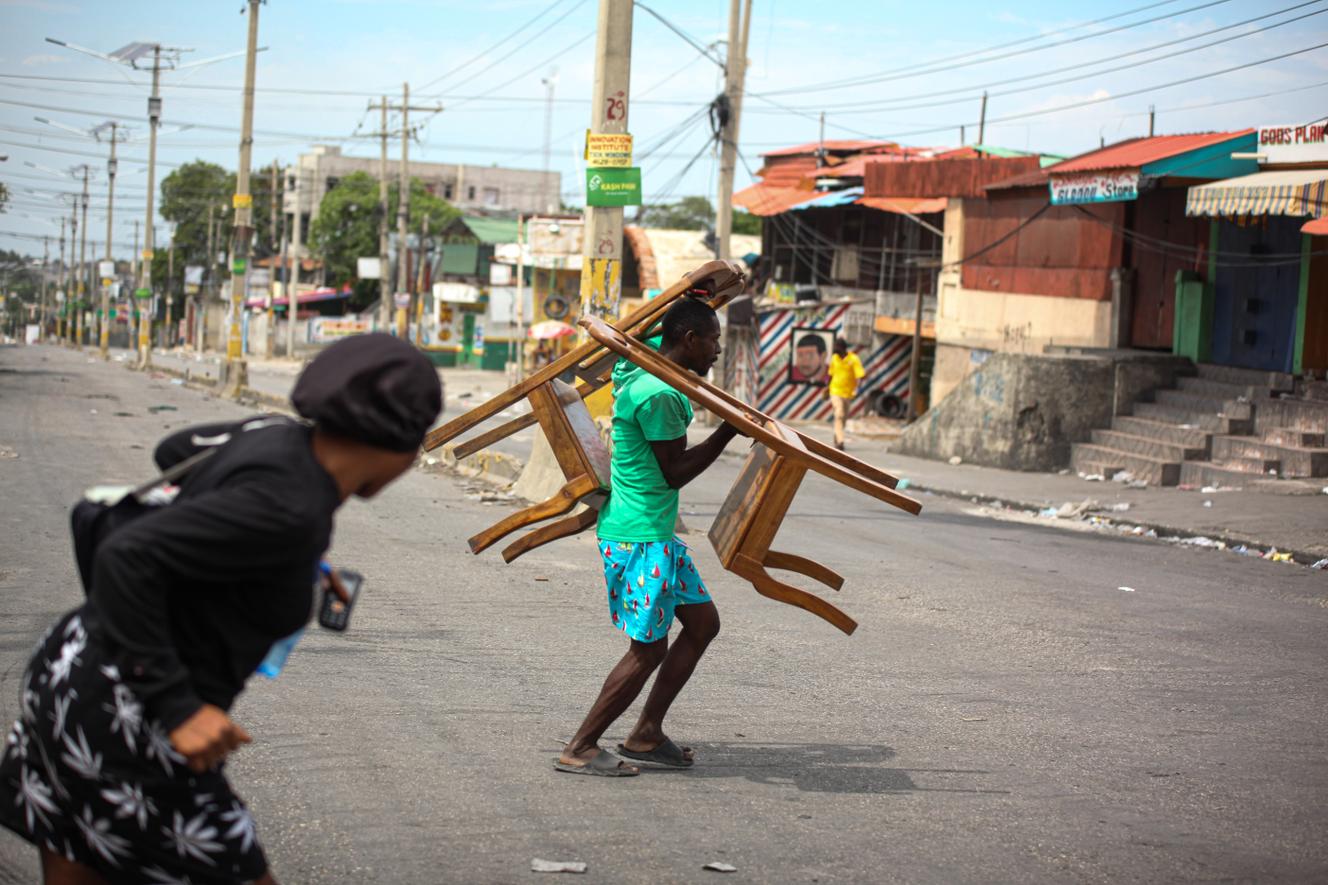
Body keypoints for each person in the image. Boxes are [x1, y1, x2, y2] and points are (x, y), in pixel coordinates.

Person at [0, 334, 441, 884]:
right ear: (401, 441)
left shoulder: (273, 435)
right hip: (129, 714)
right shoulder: (292, 507)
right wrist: (179, 709)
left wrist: (286, 562)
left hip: (72, 672)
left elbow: (175, 450)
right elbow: (125, 555)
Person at [556, 299, 740, 777]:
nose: (718, 350)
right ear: (689, 341)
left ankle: (645, 733)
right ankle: (581, 745)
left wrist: (695, 293)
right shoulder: (659, 393)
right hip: (640, 537)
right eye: (713, 339)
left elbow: (645, 333)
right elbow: (675, 472)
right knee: (649, 649)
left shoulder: (643, 362)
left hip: (651, 532)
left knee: (702, 625)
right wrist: (727, 433)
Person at [827, 337, 866, 450]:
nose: (834, 349)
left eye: (836, 347)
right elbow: (830, 374)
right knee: (839, 414)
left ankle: (837, 434)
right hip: (835, 391)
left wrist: (857, 389)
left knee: (843, 418)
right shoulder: (834, 358)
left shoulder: (854, 359)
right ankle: (840, 441)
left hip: (848, 394)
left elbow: (860, 376)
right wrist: (826, 387)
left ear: (842, 348)